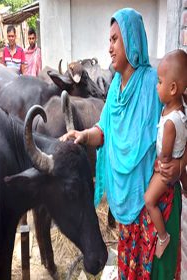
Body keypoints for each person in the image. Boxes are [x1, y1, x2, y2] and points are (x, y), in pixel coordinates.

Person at [60, 8, 182, 279]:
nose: (110, 48)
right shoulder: (115, 87)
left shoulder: (154, 84)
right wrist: (81, 135)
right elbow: (103, 131)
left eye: (116, 39)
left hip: (154, 206)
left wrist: (181, 162)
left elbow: (182, 120)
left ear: (133, 39)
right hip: (126, 205)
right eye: (109, 40)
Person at [145, 50, 187, 259]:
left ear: (172, 88)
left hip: (166, 171)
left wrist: (158, 164)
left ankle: (163, 236)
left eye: (159, 82)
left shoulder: (170, 122)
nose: (156, 86)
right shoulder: (176, 109)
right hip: (179, 160)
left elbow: (166, 157)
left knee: (149, 200)